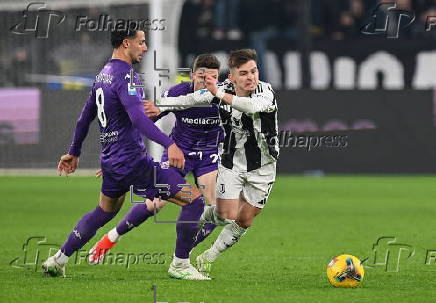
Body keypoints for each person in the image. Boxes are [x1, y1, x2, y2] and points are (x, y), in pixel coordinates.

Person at [41, 28, 211, 280]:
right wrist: (169, 143)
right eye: (141, 42)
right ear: (126, 43)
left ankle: (58, 259)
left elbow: (84, 117)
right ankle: (180, 264)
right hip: (134, 162)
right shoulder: (127, 77)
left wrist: (74, 151)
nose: (144, 47)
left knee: (104, 211)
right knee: (194, 199)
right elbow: (139, 119)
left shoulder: (102, 75)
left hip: (112, 162)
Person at [88, 54, 224, 279]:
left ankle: (182, 256)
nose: (207, 81)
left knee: (218, 210)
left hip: (208, 156)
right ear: (192, 76)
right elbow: (146, 120)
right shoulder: (177, 93)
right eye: (202, 77)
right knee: (155, 204)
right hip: (178, 154)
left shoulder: (222, 97)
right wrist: (120, 155)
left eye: (213, 77)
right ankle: (111, 237)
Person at [196, 49, 279, 277]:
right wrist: (163, 105)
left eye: (253, 71)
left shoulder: (266, 91)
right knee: (225, 215)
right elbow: (194, 96)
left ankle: (208, 257)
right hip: (231, 163)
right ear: (232, 77)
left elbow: (251, 107)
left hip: (263, 167)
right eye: (243, 73)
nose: (251, 77)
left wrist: (218, 94)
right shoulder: (222, 89)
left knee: (245, 219)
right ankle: (198, 216)